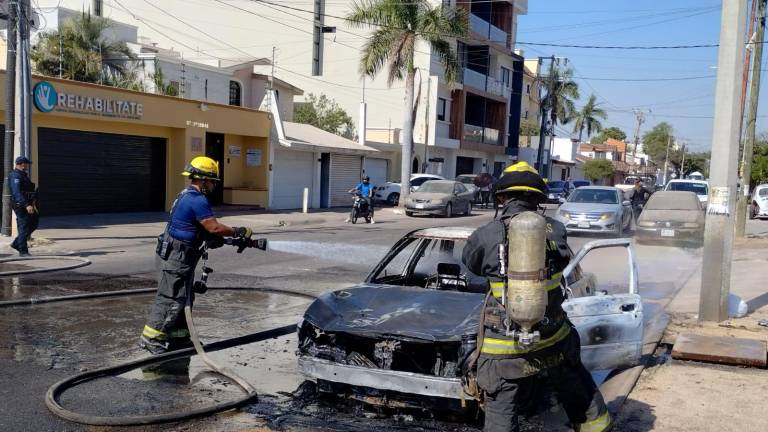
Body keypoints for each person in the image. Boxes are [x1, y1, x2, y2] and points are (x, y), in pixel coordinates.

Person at [462, 161, 611, 432]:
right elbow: (565, 260)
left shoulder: (487, 234)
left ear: (502, 197)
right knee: (578, 388)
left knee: (501, 412)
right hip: (555, 337)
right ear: (538, 198)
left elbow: (471, 264)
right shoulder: (556, 229)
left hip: (506, 349)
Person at [139, 156, 255, 355]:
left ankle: (178, 336)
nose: (214, 185)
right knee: (172, 297)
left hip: (180, 254)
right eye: (212, 181)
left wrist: (210, 238)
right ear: (202, 180)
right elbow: (214, 226)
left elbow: (194, 226)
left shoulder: (185, 195)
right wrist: (237, 231)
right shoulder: (197, 199)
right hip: (178, 256)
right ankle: (151, 338)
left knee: (184, 296)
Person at [8, 156, 38, 256]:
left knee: (34, 223)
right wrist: (26, 205)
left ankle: (17, 243)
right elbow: (16, 192)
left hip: (28, 204)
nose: (28, 165)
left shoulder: (23, 175)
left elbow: (27, 190)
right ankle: (23, 250)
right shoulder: (15, 175)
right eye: (27, 164)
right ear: (22, 164)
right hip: (20, 205)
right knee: (24, 227)